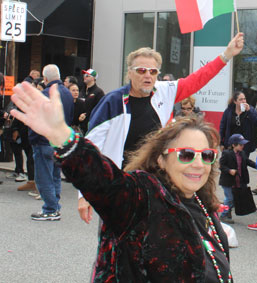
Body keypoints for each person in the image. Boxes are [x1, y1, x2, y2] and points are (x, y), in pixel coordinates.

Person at [9, 84, 232, 282]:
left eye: (206, 156)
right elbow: (106, 184)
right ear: (161, 160)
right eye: (186, 154)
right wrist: (63, 137)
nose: (198, 164)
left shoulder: (202, 202)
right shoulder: (145, 195)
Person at [78, 33, 244, 224]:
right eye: (141, 70)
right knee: (118, 244)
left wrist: (227, 55)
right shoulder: (113, 102)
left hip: (156, 185)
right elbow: (88, 148)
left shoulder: (164, 91)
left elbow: (199, 79)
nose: (148, 75)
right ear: (129, 73)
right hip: (120, 186)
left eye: (153, 71)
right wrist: (84, 194)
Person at [28, 64, 74, 221]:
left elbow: (37, 120)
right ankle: (54, 205)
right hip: (59, 141)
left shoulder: (46, 94)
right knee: (54, 174)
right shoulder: (68, 93)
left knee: (44, 176)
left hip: (44, 140)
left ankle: (50, 208)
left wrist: (33, 139)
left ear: (45, 78)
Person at [218, 133, 256, 224]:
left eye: (243, 144)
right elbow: (221, 165)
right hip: (227, 181)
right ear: (233, 145)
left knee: (234, 198)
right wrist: (229, 170)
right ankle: (223, 215)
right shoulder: (227, 153)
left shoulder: (242, 153)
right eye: (240, 144)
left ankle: (228, 212)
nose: (242, 146)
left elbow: (248, 161)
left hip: (238, 180)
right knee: (230, 198)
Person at [220, 91, 257, 156]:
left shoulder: (250, 110)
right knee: (230, 162)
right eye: (241, 99)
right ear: (235, 101)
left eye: (244, 99)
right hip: (231, 144)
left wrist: (249, 111)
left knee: (242, 163)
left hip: (245, 145)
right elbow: (222, 127)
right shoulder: (229, 111)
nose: (243, 101)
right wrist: (221, 143)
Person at [80, 69, 105, 133]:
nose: (85, 76)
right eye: (84, 75)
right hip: (80, 126)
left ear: (93, 78)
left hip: (91, 127)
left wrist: (87, 114)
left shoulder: (99, 92)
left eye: (87, 75)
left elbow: (100, 110)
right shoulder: (81, 91)